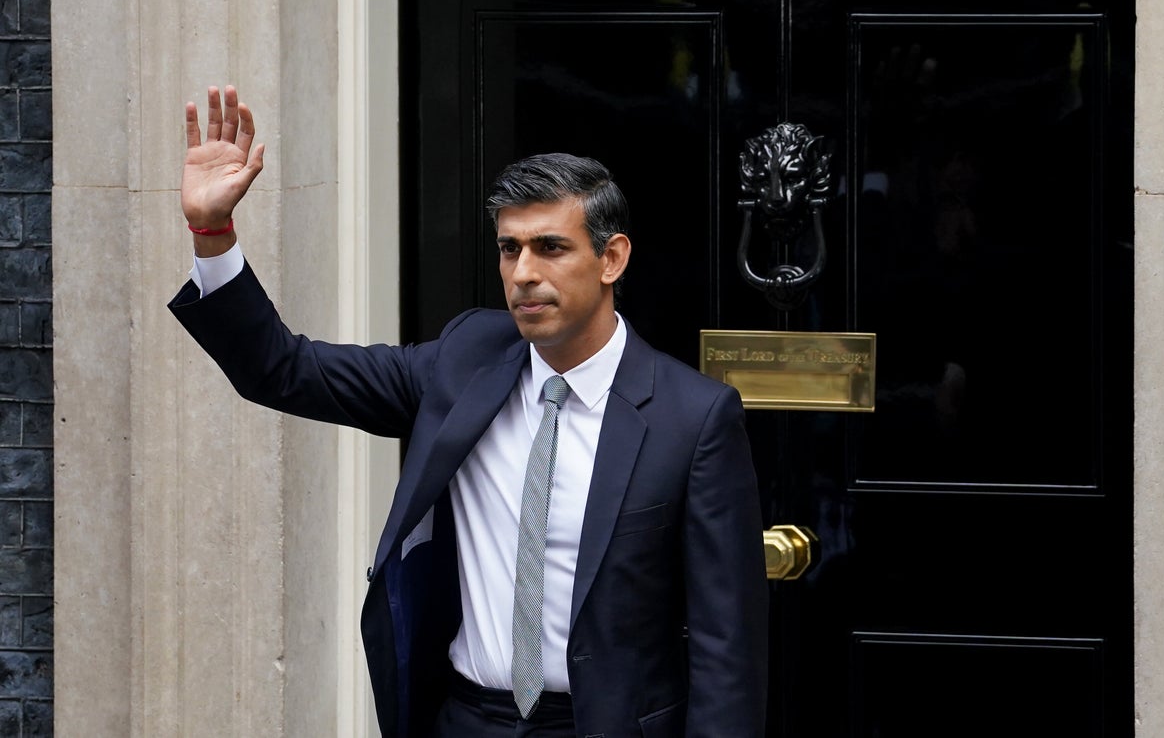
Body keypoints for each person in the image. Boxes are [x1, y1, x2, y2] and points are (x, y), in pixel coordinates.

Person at [169, 86, 768, 738]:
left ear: (612, 258)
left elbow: (726, 650)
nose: (523, 273)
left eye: (551, 247)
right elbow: (285, 369)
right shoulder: (465, 360)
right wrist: (213, 232)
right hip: (466, 719)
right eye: (511, 249)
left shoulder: (695, 417)